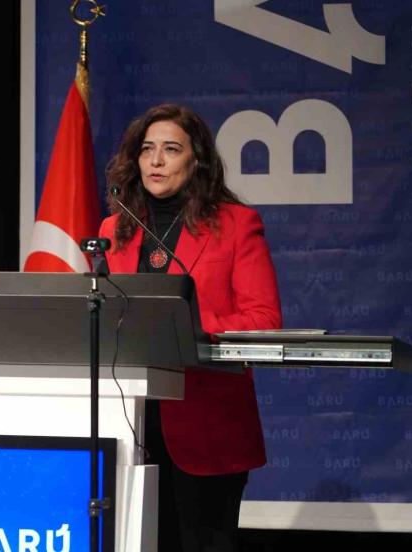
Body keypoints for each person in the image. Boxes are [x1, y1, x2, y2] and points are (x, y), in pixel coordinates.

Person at [99, 104, 282, 552]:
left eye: (171, 149)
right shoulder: (115, 228)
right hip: (130, 425)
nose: (156, 161)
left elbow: (264, 320)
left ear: (196, 159)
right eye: (147, 149)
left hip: (206, 423)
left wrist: (184, 326)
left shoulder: (236, 225)